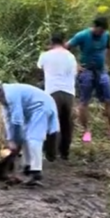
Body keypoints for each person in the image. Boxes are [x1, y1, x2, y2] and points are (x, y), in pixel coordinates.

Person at [0, 81, 60, 186]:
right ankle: (28, 167)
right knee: (26, 137)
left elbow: (17, 120)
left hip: (41, 106)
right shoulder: (4, 99)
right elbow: (8, 121)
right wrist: (10, 140)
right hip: (32, 110)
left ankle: (36, 171)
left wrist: (15, 141)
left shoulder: (11, 94)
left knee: (33, 138)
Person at [65, 16, 110, 142]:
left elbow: (109, 49)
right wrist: (76, 65)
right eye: (100, 31)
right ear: (95, 27)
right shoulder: (82, 35)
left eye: (103, 31)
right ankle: (86, 131)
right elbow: (66, 47)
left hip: (101, 71)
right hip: (87, 71)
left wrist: (108, 64)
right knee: (84, 102)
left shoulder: (106, 35)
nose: (101, 33)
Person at [37, 32, 77, 160]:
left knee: (51, 123)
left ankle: (50, 154)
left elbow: (39, 67)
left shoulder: (45, 55)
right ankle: (64, 153)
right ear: (64, 41)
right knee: (67, 124)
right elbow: (74, 73)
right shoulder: (71, 56)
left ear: (51, 42)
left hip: (52, 92)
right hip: (69, 92)